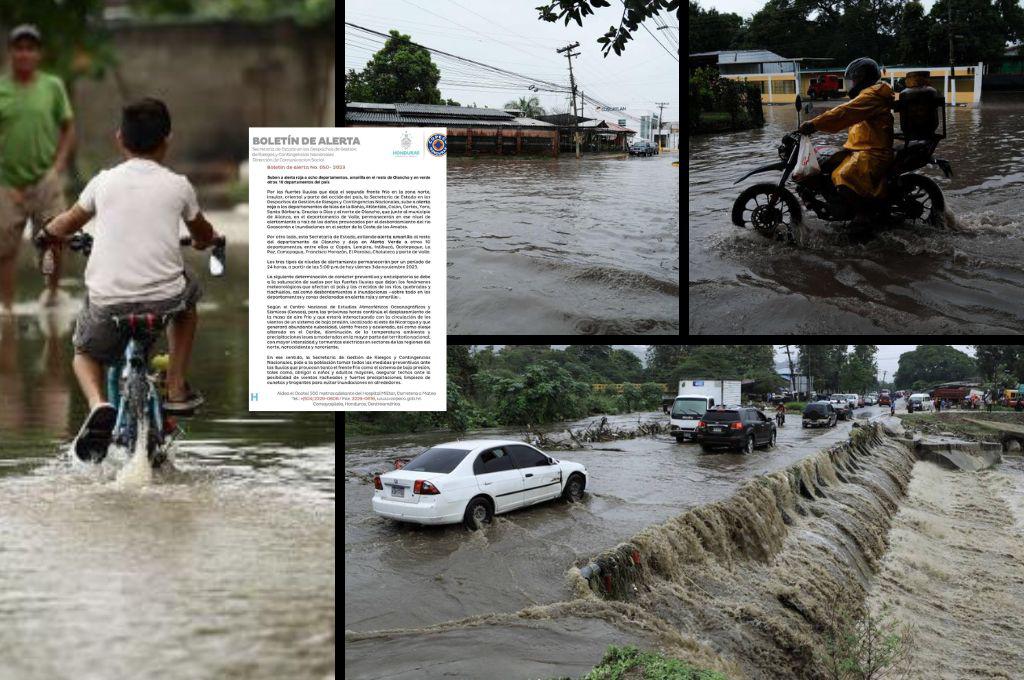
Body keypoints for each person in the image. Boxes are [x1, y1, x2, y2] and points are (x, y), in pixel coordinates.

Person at [35, 98, 221, 461]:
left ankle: (97, 405)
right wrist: (205, 240)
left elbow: (68, 222)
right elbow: (201, 231)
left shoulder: (102, 182)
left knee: (84, 353)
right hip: (164, 301)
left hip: (110, 303)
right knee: (190, 293)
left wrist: (47, 233)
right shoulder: (179, 186)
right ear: (168, 140)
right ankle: (178, 385)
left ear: (119, 138)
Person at [0, 25, 76, 313]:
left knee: (56, 238)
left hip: (46, 177)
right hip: (7, 182)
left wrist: (57, 167)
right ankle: (6, 309)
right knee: (5, 249)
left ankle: (53, 294)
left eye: (30, 48)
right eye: (19, 48)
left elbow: (68, 127)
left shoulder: (52, 86)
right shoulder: (1, 89)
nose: (24, 53)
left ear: (38, 54)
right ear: (11, 52)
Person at [798, 57, 893, 234]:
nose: (852, 83)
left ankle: (863, 216)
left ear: (863, 78)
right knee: (826, 161)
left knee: (842, 175)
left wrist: (814, 124)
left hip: (874, 151)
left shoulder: (873, 95)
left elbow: (844, 112)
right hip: (859, 147)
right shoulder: (869, 93)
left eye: (854, 79)